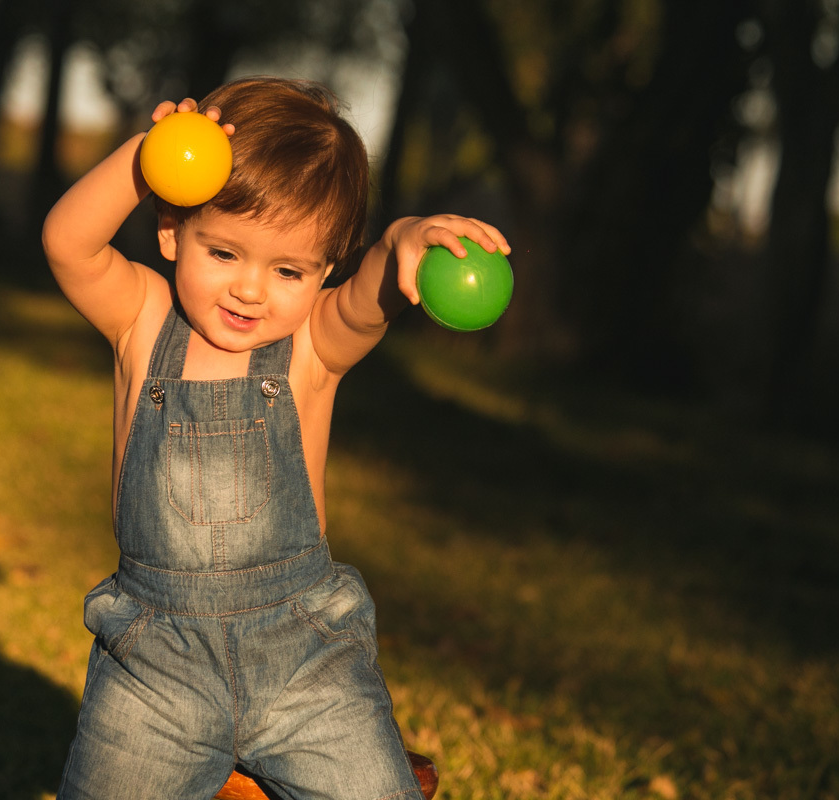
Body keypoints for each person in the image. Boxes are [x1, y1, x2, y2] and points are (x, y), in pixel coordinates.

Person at [42, 76, 510, 800]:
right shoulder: (141, 318)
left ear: (324, 270)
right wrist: (149, 156)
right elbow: (68, 243)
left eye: (288, 269)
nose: (250, 290)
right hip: (155, 670)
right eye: (224, 253)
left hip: (304, 662)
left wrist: (402, 239)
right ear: (172, 230)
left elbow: (369, 298)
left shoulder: (313, 346)